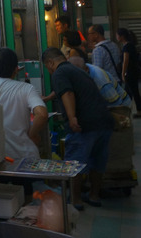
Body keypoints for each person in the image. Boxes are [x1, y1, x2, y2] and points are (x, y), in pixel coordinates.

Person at [42, 48, 114, 210]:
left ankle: (75, 201)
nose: (50, 71)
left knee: (73, 163)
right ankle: (94, 196)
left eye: (48, 68)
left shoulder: (59, 73)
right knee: (97, 162)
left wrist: (72, 117)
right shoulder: (75, 70)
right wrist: (47, 98)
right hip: (104, 122)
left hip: (84, 125)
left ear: (50, 63)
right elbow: (64, 89)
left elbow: (67, 93)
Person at [116, 28, 141, 118]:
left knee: (132, 92)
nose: (116, 37)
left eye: (117, 35)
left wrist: (123, 73)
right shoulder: (129, 45)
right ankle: (127, 110)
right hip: (133, 72)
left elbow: (125, 61)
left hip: (130, 73)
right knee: (130, 92)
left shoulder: (127, 46)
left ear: (122, 36)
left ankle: (135, 111)